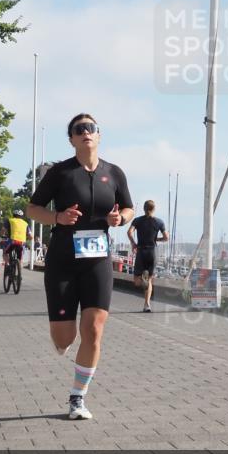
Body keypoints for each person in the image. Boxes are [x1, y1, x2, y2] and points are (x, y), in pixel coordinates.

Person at [26, 113, 134, 420]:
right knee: (64, 338)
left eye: (91, 128)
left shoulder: (114, 173)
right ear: (72, 139)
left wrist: (120, 219)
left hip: (97, 260)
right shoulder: (59, 173)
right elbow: (32, 208)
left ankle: (78, 397)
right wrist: (57, 218)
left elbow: (129, 207)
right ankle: (63, 339)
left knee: (94, 329)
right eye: (79, 129)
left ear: (99, 135)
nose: (86, 132)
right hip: (63, 260)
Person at [128, 199, 169, 312]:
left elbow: (129, 232)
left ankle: (143, 280)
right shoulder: (159, 222)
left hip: (141, 251)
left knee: (137, 281)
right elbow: (166, 238)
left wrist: (133, 243)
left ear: (144, 208)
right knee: (149, 280)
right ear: (154, 209)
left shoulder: (137, 220)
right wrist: (157, 239)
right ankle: (147, 305)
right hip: (152, 252)